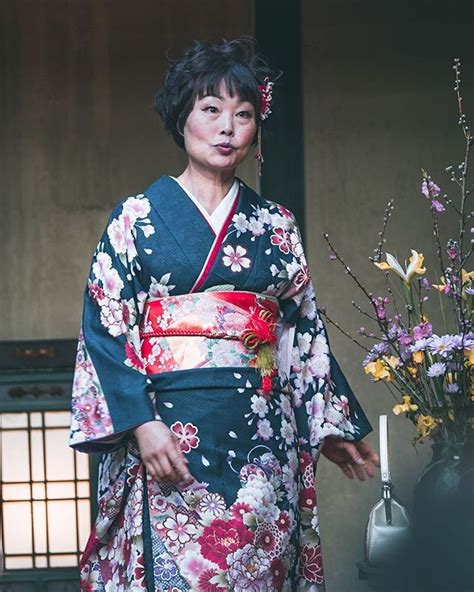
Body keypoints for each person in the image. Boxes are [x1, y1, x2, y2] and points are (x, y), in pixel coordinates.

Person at [70, 37, 380, 592]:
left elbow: (302, 334)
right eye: (210, 110)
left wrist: (328, 425)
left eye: (243, 114)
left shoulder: (275, 226)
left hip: (260, 437)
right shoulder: (136, 220)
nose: (227, 127)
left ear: (256, 129)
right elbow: (105, 327)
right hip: (166, 435)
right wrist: (140, 424)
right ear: (182, 119)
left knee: (258, 571)